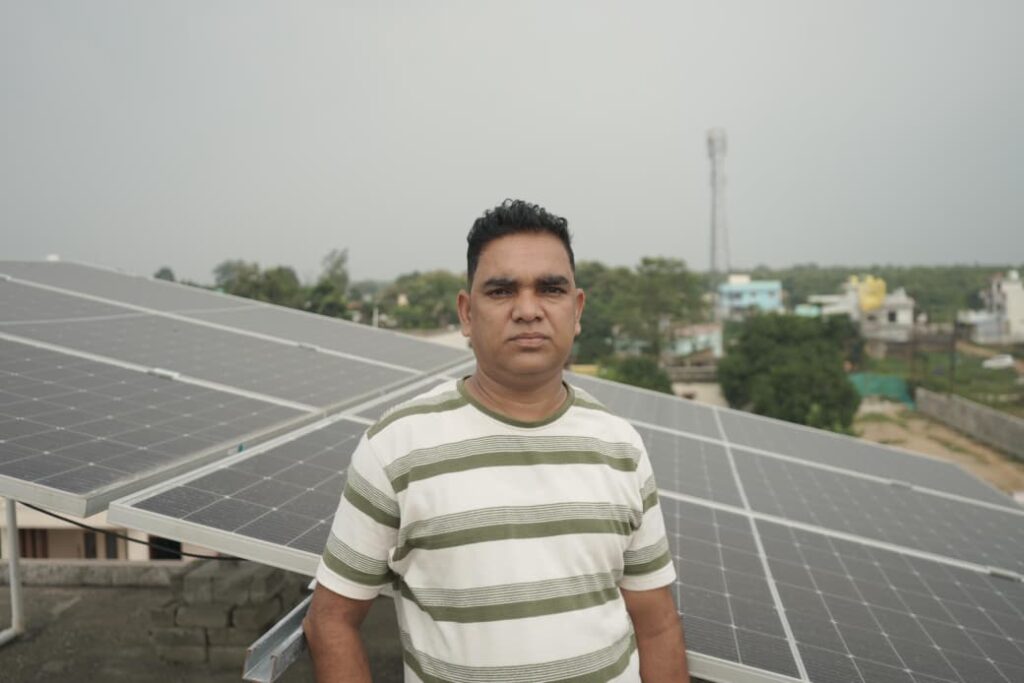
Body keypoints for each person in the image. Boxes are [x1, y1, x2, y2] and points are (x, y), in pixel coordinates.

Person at [304, 199, 689, 682]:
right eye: (502, 291)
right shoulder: (395, 448)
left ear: (577, 310)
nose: (527, 310)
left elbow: (657, 626)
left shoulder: (622, 448)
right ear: (467, 313)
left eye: (550, 289)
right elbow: (330, 621)